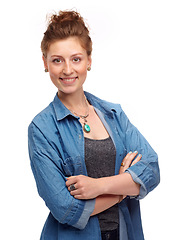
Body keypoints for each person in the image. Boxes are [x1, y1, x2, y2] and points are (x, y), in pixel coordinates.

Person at [28, 10, 160, 240]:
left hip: (124, 233)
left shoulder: (113, 114)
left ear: (89, 60)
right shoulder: (42, 129)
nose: (67, 70)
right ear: (45, 63)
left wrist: (98, 186)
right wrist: (122, 189)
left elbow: (151, 171)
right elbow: (66, 209)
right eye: (57, 60)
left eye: (76, 59)